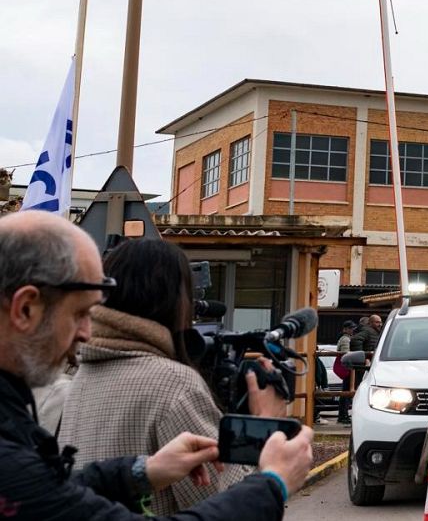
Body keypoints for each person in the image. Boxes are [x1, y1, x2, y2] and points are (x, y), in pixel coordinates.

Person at [0, 210, 312, 521]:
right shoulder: (173, 385)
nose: (85, 331)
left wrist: (142, 472)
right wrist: (271, 480)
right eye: (81, 313)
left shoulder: (53, 389)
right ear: (25, 308)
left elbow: (51, 493)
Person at [60, 238, 290, 514]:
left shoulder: (77, 373)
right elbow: (225, 503)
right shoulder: (172, 383)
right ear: (176, 301)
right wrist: (261, 425)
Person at [334, 320, 357, 423]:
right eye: (351, 328)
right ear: (346, 329)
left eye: (353, 328)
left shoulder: (346, 338)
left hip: (347, 367)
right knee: (346, 393)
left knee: (346, 392)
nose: (352, 330)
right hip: (347, 367)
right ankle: (343, 416)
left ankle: (343, 415)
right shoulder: (345, 340)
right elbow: (346, 355)